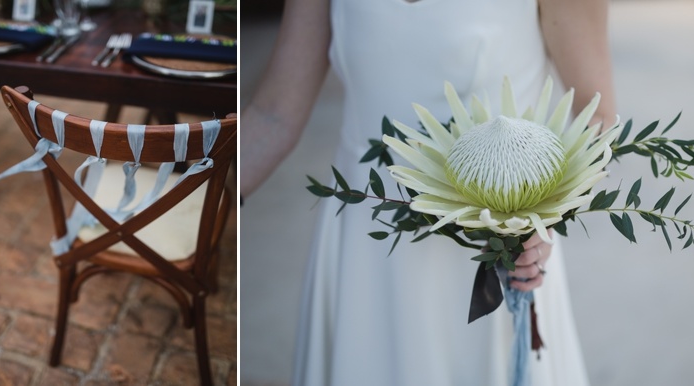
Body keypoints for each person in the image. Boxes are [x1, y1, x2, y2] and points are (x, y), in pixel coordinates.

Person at [241, 0, 616, 384]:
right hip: (364, 253)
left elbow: (598, 115)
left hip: (489, 257)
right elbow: (274, 113)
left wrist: (545, 220)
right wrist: (205, 195)